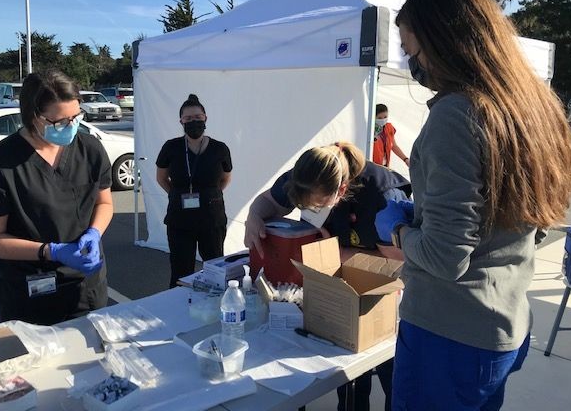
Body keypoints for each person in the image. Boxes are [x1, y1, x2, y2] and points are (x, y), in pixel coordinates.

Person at [374, 0, 571, 410]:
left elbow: (447, 258)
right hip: (502, 323)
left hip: (447, 334)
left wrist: (400, 232)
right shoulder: (530, 109)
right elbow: (535, 216)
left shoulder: (457, 114)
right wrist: (433, 214)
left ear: (445, 41)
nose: (414, 64)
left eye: (413, 51)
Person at [244, 142, 410, 411]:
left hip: (385, 294)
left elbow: (401, 263)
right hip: (337, 285)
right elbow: (267, 201)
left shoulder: (382, 197)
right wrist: (254, 216)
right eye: (303, 205)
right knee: (347, 376)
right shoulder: (305, 177)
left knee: (392, 374)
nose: (310, 209)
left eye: (317, 205)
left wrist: (339, 253)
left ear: (341, 191)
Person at [0, 71, 112, 325]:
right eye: (61, 122)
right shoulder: (2, 161)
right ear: (34, 117)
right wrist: (51, 251)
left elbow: (104, 203)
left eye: (76, 117)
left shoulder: (90, 149)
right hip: (32, 290)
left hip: (86, 286)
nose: (71, 126)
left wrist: (94, 233)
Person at [156, 94, 232, 288]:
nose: (193, 122)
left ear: (205, 118)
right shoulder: (171, 147)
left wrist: (211, 195)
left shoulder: (219, 148)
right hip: (180, 218)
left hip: (211, 217)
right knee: (181, 269)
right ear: (181, 121)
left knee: (215, 266)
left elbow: (225, 178)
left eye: (197, 117)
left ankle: (215, 306)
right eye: (188, 118)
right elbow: (161, 178)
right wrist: (176, 194)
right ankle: (178, 307)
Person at [372, 103, 409, 167]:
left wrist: (405, 159)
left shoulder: (389, 127)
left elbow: (394, 146)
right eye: (379, 118)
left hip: (385, 166)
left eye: (385, 117)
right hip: (373, 166)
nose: (383, 120)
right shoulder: (369, 130)